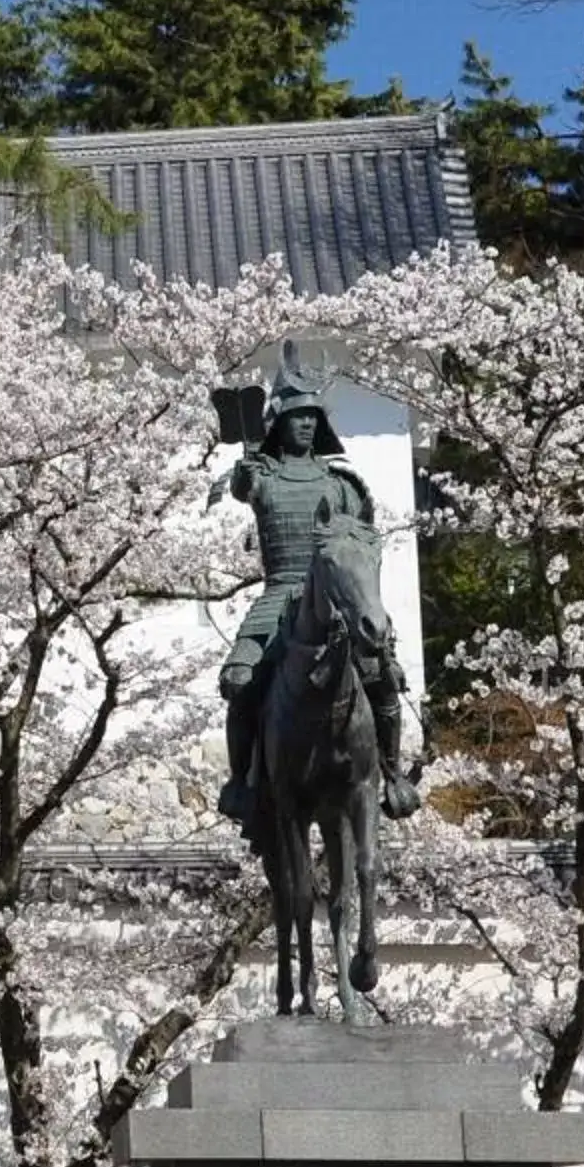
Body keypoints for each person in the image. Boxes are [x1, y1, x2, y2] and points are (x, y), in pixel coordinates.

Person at [214, 352, 420, 824]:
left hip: (340, 601)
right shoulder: (262, 477)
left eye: (311, 418)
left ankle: (391, 773)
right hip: (277, 597)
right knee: (240, 681)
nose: (304, 426)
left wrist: (374, 613)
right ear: (280, 424)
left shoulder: (342, 484)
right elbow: (243, 487)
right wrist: (247, 463)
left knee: (384, 678)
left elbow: (362, 552)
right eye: (295, 417)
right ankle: (241, 780)